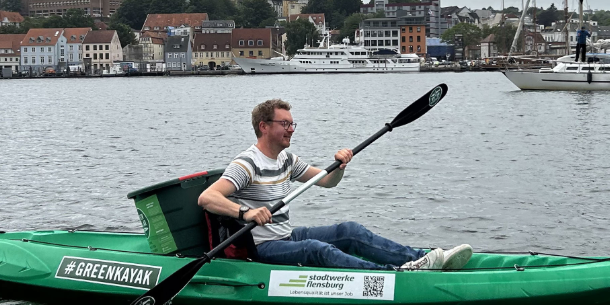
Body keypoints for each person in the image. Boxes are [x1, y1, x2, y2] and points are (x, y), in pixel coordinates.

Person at [197, 99, 473, 271]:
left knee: (349, 231)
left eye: (293, 124)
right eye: (285, 124)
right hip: (260, 247)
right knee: (317, 249)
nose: (291, 129)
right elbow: (207, 198)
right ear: (264, 126)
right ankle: (391, 275)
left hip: (285, 236)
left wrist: (340, 166)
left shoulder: (286, 159)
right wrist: (246, 213)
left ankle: (423, 258)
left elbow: (327, 181)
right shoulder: (247, 163)